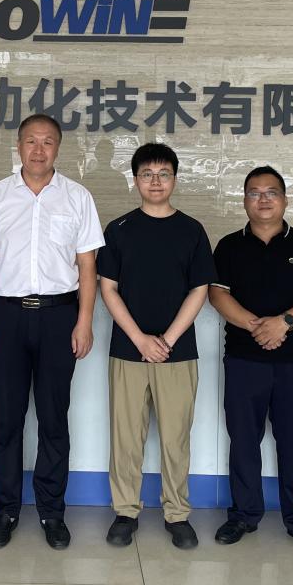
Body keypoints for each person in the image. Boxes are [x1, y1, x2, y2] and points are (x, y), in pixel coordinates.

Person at [0, 113, 104, 550]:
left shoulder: (77, 197)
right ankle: (5, 511)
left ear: (58, 148)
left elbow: (87, 266)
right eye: (31, 141)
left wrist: (85, 321)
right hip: (6, 316)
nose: (38, 150)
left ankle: (52, 511)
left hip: (59, 316)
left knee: (53, 418)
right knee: (7, 419)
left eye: (47, 142)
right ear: (19, 146)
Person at [208, 166, 293, 555]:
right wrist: (256, 326)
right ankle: (244, 516)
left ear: (284, 199)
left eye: (271, 192)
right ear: (244, 200)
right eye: (254, 192)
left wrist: (284, 323)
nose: (263, 199)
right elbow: (217, 294)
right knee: (243, 441)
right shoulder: (229, 246)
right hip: (244, 360)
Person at [97, 142, 215, 550]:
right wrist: (140, 339)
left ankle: (177, 514)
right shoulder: (118, 229)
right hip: (127, 350)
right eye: (147, 174)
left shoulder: (192, 230)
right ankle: (125, 512)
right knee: (125, 437)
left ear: (175, 180)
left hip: (177, 353)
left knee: (175, 437)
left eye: (164, 174)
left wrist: (166, 340)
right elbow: (108, 289)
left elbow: (200, 289)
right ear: (135, 181)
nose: (156, 181)